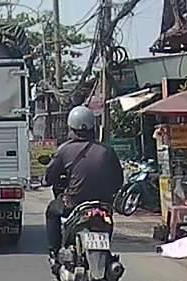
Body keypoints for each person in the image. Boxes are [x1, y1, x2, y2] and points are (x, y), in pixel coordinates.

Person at [43, 106, 125, 259]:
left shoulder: (64, 150)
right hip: (103, 204)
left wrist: (46, 180)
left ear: (71, 127)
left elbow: (50, 177)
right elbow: (118, 179)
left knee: (51, 212)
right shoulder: (107, 150)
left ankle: (55, 252)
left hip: (75, 203)